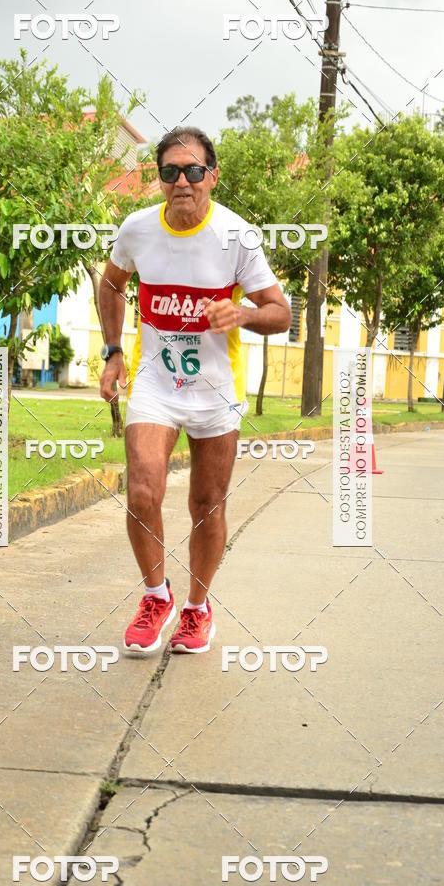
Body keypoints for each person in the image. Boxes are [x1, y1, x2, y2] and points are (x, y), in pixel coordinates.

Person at [98, 126, 291, 655]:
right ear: (159, 178)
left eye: (193, 171)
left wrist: (244, 313)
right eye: (169, 172)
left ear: (212, 175)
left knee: (207, 503)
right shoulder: (137, 229)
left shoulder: (237, 237)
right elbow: (112, 283)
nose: (182, 181)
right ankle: (155, 596)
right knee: (142, 491)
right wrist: (113, 352)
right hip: (156, 385)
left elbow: (281, 312)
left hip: (214, 391)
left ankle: (197, 609)